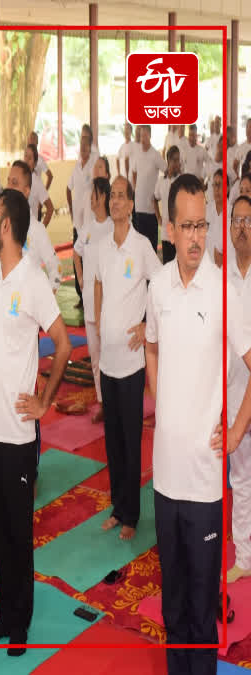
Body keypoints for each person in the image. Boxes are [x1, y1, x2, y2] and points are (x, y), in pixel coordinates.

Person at [149, 175, 251, 674]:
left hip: (205, 485)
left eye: (202, 226)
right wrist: (158, 392)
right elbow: (149, 343)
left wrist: (233, 432)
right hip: (165, 481)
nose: (195, 237)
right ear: (169, 229)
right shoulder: (159, 287)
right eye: (186, 226)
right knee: (172, 613)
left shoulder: (225, 290)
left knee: (200, 614)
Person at [0, 188, 72, 656]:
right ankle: (4, 608)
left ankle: (21, 618)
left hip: (17, 433)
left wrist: (45, 402)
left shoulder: (32, 278)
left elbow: (62, 343)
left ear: (8, 225)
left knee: (18, 530)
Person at [93, 175, 159, 543]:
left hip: (133, 364)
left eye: (121, 197)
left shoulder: (142, 246)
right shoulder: (103, 247)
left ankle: (132, 513)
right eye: (112, 196)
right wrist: (102, 322)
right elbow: (99, 284)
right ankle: (118, 508)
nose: (116, 202)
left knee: (131, 442)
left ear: (132, 205)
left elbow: (161, 284)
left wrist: (146, 324)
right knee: (113, 440)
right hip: (108, 362)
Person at [74, 177, 114, 423]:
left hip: (109, 306)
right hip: (89, 303)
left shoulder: (113, 227)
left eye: (95, 195)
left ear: (103, 198)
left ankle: (114, 402)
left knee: (111, 356)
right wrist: (80, 279)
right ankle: (102, 403)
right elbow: (76, 254)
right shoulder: (86, 229)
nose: (91, 198)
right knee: (96, 356)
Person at [227, 196, 251, 584]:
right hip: (235, 394)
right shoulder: (222, 279)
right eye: (237, 220)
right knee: (241, 479)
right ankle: (245, 556)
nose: (242, 226)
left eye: (249, 219)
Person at [6, 160, 61, 292]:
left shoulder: (36, 229)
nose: (8, 187)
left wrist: (44, 302)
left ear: (26, 191)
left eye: (14, 183)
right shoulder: (2, 226)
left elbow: (56, 269)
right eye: (8, 181)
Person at [67, 126, 99, 306]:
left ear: (90, 146)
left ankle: (92, 295)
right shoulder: (77, 165)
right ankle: (81, 295)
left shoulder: (95, 163)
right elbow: (68, 188)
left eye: (86, 145)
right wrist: (71, 210)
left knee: (89, 259)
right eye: (81, 145)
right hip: (77, 222)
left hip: (90, 222)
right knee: (76, 257)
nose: (83, 148)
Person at [131, 124, 167, 251]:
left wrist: (159, 191)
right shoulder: (137, 154)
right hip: (139, 207)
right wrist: (136, 189)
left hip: (151, 209)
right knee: (139, 245)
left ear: (150, 136)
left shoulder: (155, 154)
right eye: (141, 136)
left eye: (145, 135)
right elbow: (134, 172)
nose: (143, 139)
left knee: (151, 246)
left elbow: (166, 171)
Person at [154, 146, 183, 263]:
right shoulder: (161, 181)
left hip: (180, 233)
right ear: (168, 161)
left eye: (178, 160)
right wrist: (158, 218)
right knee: (167, 265)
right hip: (166, 234)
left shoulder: (182, 181)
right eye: (174, 160)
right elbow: (154, 199)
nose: (177, 163)